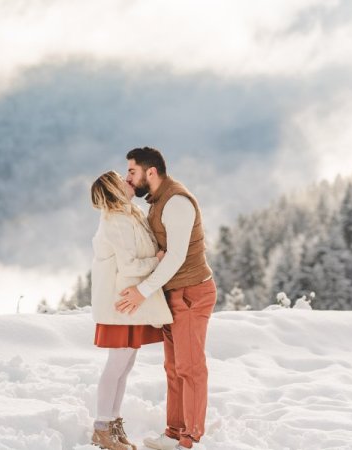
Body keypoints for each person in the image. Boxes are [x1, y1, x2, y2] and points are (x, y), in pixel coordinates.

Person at [116, 147, 217, 450]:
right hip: (174, 295)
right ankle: (174, 432)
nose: (128, 178)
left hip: (191, 294)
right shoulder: (157, 200)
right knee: (174, 369)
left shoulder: (176, 203)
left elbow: (175, 258)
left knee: (190, 368)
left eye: (132, 172)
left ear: (151, 172)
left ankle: (190, 440)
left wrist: (142, 291)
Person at [89, 170, 174, 450]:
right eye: (122, 180)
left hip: (127, 302)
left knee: (125, 366)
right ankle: (102, 427)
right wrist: (158, 259)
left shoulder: (129, 214)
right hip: (121, 303)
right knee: (117, 365)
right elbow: (129, 266)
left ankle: (112, 423)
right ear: (114, 190)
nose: (129, 182)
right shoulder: (116, 221)